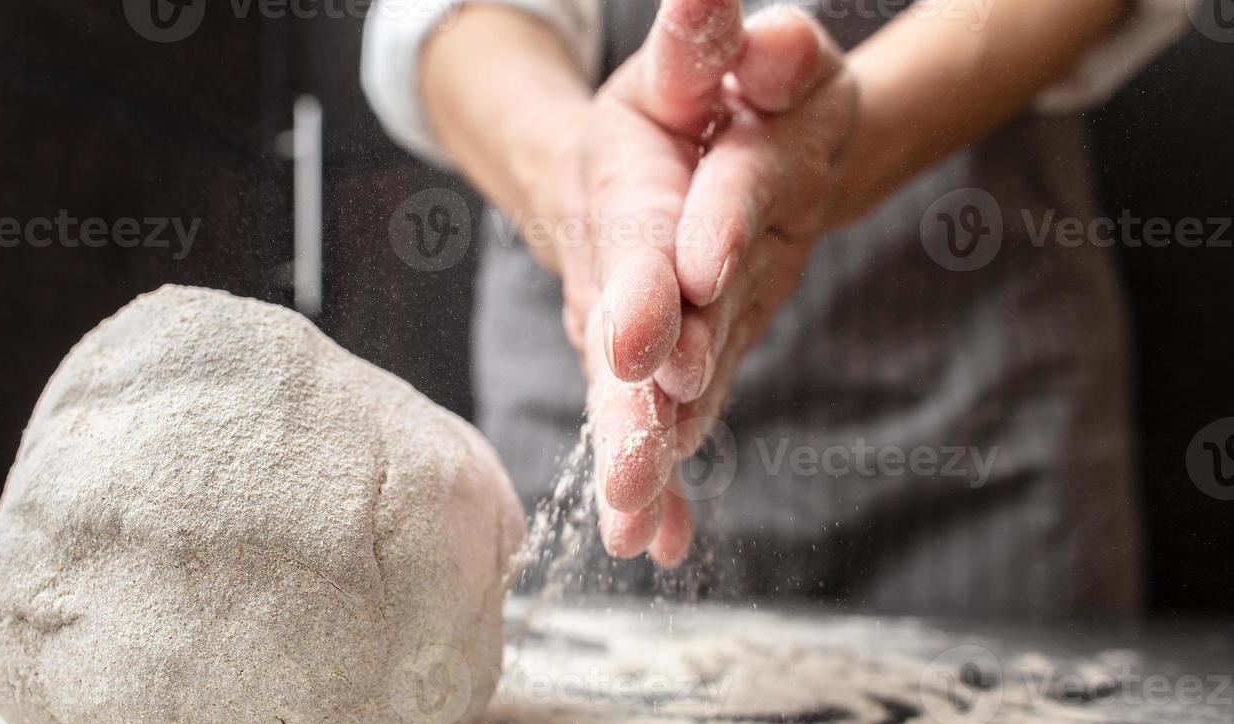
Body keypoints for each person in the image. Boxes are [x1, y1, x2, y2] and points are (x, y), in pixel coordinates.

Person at [362, 0, 1189, 617]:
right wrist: (583, 179)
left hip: (972, 444)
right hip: (592, 414)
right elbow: (439, 19)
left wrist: (855, 131)